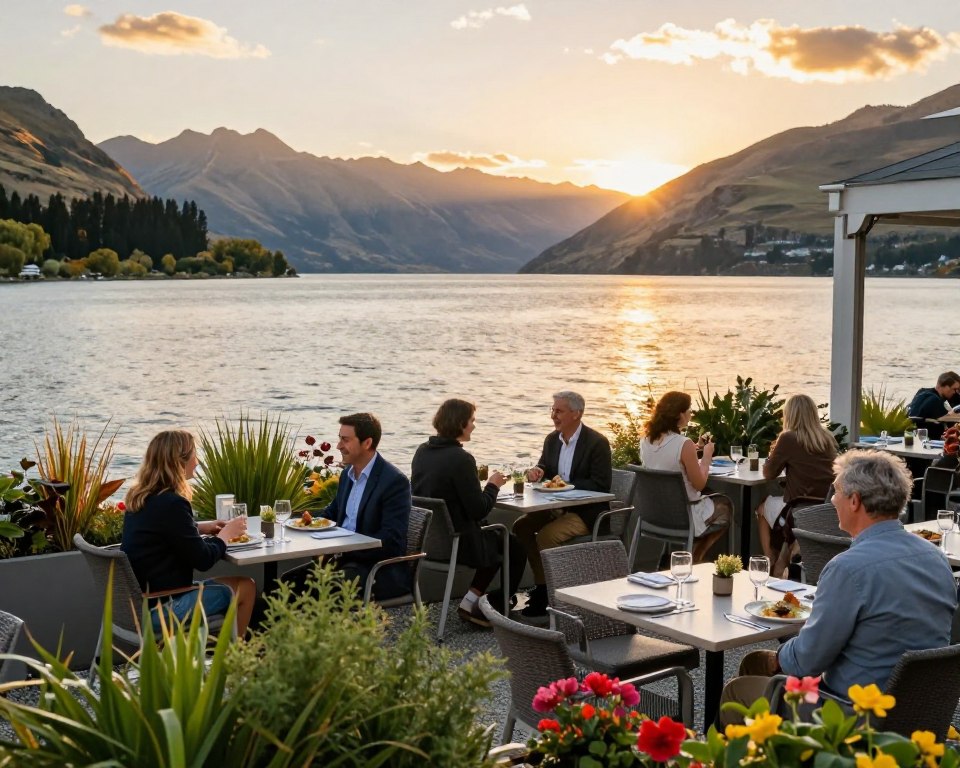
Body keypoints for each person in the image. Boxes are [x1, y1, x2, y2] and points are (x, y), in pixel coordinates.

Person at [719, 450, 957, 725]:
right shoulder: (937, 559)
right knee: (756, 663)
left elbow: (809, 660)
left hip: (852, 715)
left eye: (837, 491)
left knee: (737, 691)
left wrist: (780, 657)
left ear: (854, 501)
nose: (832, 499)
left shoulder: (848, 569)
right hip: (922, 711)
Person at [121, 430, 256, 636]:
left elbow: (160, 531)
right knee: (245, 587)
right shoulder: (173, 504)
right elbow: (203, 560)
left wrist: (200, 527)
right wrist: (226, 535)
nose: (197, 461)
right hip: (163, 608)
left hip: (136, 606)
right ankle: (236, 654)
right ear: (179, 461)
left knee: (235, 585)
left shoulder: (141, 498)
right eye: (194, 454)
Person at [411, 398, 527, 627]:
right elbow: (478, 509)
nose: (474, 425)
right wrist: (493, 485)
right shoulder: (461, 459)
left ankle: (470, 601)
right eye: (472, 421)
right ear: (460, 423)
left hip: (429, 542)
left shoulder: (422, 452)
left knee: (496, 539)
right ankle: (497, 607)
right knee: (513, 545)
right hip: (459, 544)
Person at [282, 413, 412, 599]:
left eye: (346, 440)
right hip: (342, 562)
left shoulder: (394, 482)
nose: (338, 446)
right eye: (339, 438)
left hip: (377, 569)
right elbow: (331, 514)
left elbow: (391, 542)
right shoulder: (347, 474)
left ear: (367, 443)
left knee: (323, 589)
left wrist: (344, 549)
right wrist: (297, 519)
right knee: (286, 583)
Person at [514, 391, 613, 618]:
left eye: (559, 411)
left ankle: (556, 596)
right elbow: (545, 468)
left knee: (547, 536)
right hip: (554, 507)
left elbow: (601, 484)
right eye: (552, 410)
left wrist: (566, 485)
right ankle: (543, 587)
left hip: (586, 512)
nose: (553, 415)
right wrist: (536, 472)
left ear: (576, 414)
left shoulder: (596, 443)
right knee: (522, 527)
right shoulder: (552, 440)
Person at [638, 391, 733, 563]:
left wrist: (694, 449)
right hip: (684, 516)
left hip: (655, 514)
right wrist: (706, 455)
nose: (691, 413)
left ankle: (691, 557)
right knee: (725, 506)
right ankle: (696, 557)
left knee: (712, 497)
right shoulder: (683, 444)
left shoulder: (646, 440)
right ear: (679, 414)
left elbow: (667, 459)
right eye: (689, 410)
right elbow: (699, 484)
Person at [755, 394, 837, 577]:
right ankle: (779, 557)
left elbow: (768, 473)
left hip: (799, 508)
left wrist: (772, 455)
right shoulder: (827, 438)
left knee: (762, 507)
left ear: (790, 414)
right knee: (786, 548)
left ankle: (768, 557)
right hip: (825, 508)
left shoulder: (788, 438)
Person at [907, 371, 960, 440]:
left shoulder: (922, 392)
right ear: (946, 386)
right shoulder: (934, 400)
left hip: (912, 436)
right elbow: (953, 418)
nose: (955, 392)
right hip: (930, 441)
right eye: (954, 389)